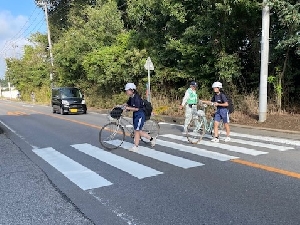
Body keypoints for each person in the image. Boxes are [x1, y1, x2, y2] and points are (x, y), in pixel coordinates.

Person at [123, 82, 156, 152]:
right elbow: (128, 104)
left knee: (137, 131)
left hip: (140, 114)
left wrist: (128, 108)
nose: (126, 91)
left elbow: (137, 108)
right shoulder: (131, 97)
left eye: (127, 90)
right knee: (138, 131)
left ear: (132, 90)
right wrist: (121, 105)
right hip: (135, 115)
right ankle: (151, 139)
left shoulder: (136, 97)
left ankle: (136, 146)